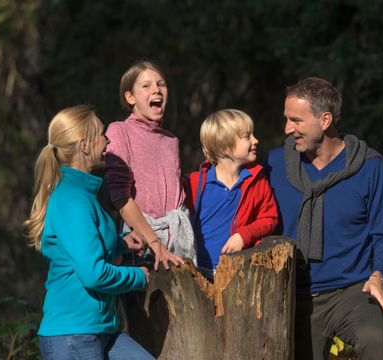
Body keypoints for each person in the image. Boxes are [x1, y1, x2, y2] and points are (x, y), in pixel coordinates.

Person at [264, 77, 383, 360]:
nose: (288, 129)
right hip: (294, 294)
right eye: (286, 119)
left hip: (352, 291)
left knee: (373, 341)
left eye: (296, 120)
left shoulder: (369, 166)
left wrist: (378, 275)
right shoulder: (274, 164)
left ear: (324, 120)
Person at [24, 105, 155, 359]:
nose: (107, 140)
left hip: (101, 329)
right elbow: (92, 273)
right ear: (84, 145)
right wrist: (138, 276)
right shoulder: (72, 198)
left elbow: (88, 244)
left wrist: (121, 244)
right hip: (72, 335)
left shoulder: (84, 194)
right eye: (102, 133)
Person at [104, 61, 192, 269]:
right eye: (146, 86)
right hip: (142, 245)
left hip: (179, 240)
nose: (156, 90)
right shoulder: (119, 131)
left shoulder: (171, 140)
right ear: (130, 97)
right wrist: (155, 243)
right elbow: (120, 198)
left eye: (161, 84)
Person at [186, 109, 278, 278]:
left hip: (238, 272)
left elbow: (270, 219)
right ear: (225, 147)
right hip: (197, 273)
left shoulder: (257, 180)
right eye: (247, 137)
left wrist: (243, 236)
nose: (255, 140)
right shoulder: (194, 183)